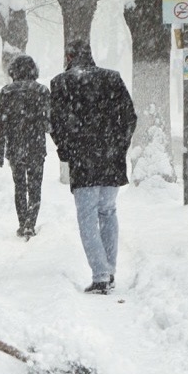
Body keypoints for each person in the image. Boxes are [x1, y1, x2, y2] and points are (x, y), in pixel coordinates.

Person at [50, 40, 137, 295]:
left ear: (69, 57)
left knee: (87, 216)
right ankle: (109, 270)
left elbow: (56, 123)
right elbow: (129, 117)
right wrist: (119, 146)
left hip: (83, 160)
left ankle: (101, 275)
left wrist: (66, 151)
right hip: (111, 160)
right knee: (107, 211)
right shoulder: (112, 78)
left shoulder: (61, 83)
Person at [0, 54, 50, 238]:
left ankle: (22, 222)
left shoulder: (6, 92)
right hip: (36, 145)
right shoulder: (42, 91)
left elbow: (1, 123)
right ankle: (30, 223)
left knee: (19, 186)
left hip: (15, 145)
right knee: (35, 186)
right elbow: (49, 122)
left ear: (13, 71)